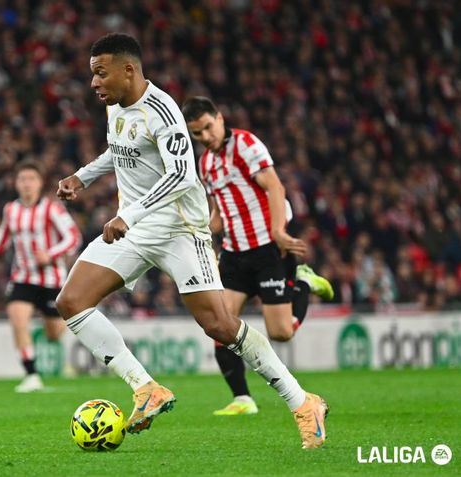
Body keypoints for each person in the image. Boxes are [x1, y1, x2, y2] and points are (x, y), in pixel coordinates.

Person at [55, 33, 329, 448]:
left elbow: (182, 176)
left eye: (100, 73)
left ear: (128, 70)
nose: (93, 82)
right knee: (71, 302)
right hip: (137, 228)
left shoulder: (163, 110)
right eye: (92, 74)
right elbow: (120, 149)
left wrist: (128, 214)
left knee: (220, 325)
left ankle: (303, 402)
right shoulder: (114, 106)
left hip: (180, 229)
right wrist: (83, 176)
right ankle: (146, 389)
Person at [182, 96, 335, 416]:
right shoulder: (205, 164)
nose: (205, 137)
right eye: (197, 133)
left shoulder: (246, 145)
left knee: (281, 332)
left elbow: (275, 188)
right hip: (234, 254)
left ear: (220, 118)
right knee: (219, 324)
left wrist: (278, 231)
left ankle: (303, 283)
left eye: (208, 127)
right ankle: (243, 399)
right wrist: (200, 233)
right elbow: (220, 212)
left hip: (267, 249)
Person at [0, 160, 82, 392]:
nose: (26, 183)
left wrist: (50, 254)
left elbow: (74, 237)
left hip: (51, 279)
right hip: (22, 277)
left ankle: (58, 350)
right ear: (16, 183)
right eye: (22, 179)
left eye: (31, 179)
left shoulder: (52, 208)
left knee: (54, 334)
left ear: (40, 183)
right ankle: (31, 375)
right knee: (17, 320)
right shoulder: (11, 210)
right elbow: (4, 236)